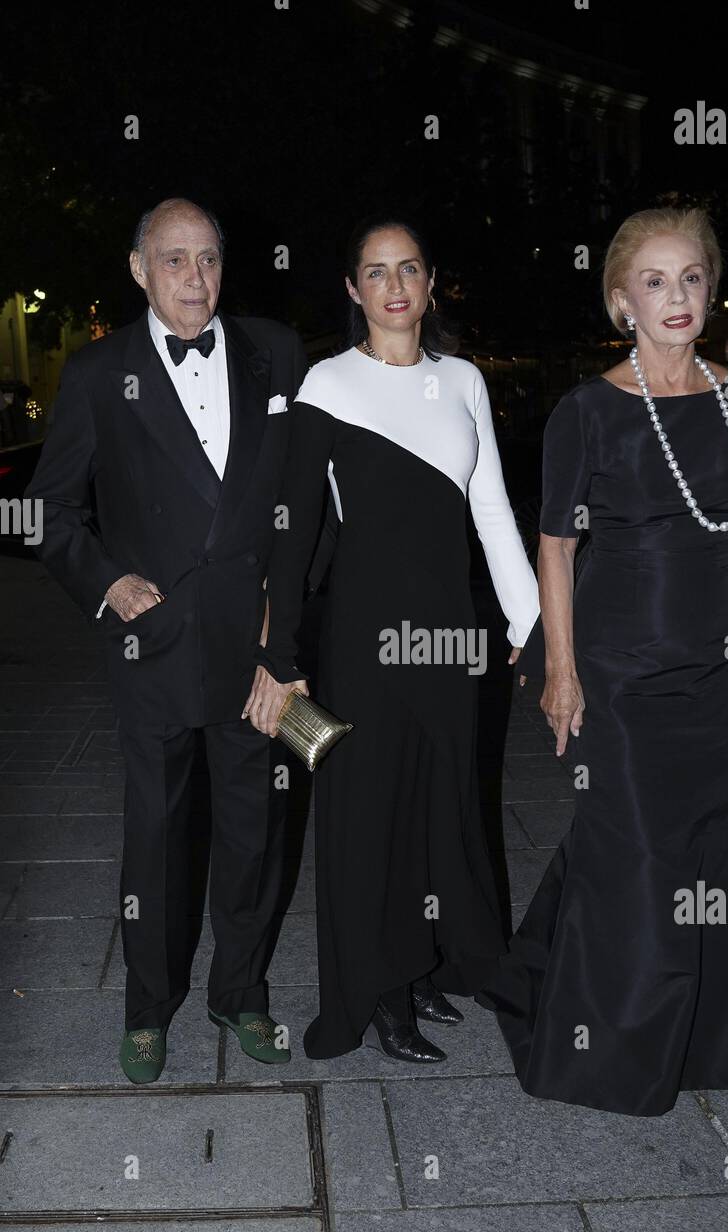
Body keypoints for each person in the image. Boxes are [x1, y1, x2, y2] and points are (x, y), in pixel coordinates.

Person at [474, 207, 728, 1116]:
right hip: (619, 660)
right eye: (654, 281)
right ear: (620, 299)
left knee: (715, 841)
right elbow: (554, 547)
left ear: (711, 291)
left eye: (691, 279)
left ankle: (716, 1034)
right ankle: (611, 1048)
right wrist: (560, 669)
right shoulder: (587, 410)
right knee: (632, 843)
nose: (676, 298)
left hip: (720, 661)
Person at [25, 198, 308, 1082]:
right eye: (175, 260)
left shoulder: (275, 351)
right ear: (141, 269)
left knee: (254, 832)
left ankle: (242, 993)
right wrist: (105, 580)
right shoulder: (100, 371)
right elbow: (48, 510)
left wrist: (285, 627)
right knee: (155, 834)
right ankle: (147, 1009)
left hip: (251, 644)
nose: (196, 278)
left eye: (210, 259)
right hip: (152, 644)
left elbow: (305, 506)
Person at [245, 216, 539, 1063]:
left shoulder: (465, 380)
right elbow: (294, 536)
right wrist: (282, 658)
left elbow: (491, 509)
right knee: (369, 817)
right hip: (363, 643)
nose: (395, 285)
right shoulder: (327, 386)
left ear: (431, 279)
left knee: (441, 807)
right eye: (375, 272)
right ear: (352, 289)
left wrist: (531, 626)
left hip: (451, 638)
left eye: (409, 268)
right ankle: (374, 993)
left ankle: (426, 965)